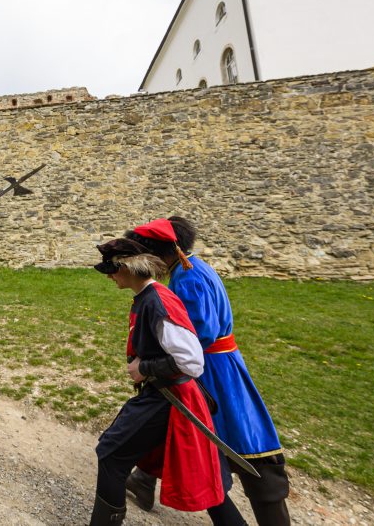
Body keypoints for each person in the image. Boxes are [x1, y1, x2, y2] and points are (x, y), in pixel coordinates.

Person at [123, 217, 290, 525]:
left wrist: (151, 362)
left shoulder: (190, 278)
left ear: (162, 252)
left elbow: (197, 335)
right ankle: (143, 480)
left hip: (215, 371)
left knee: (231, 437)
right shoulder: (190, 269)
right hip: (214, 364)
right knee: (177, 425)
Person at [89, 237, 225, 525]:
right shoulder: (148, 298)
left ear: (129, 267)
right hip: (162, 393)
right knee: (117, 454)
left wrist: (143, 367)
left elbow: (192, 361)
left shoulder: (158, 301)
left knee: (111, 455)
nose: (111, 276)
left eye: (113, 269)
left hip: (169, 398)